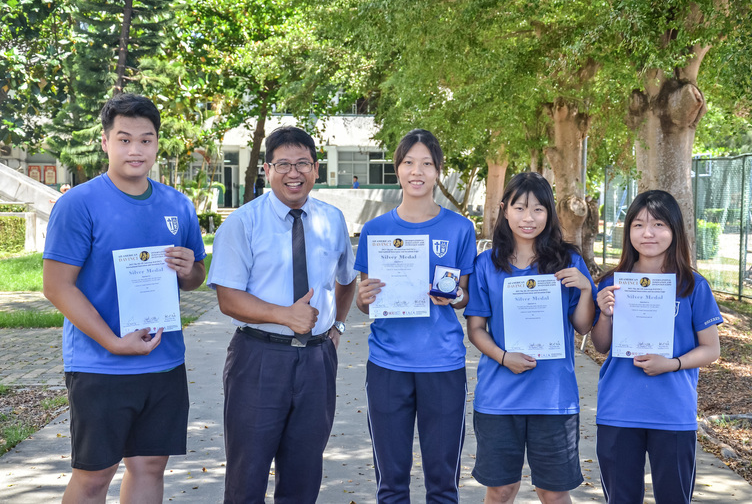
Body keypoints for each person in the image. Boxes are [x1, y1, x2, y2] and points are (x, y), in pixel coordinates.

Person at [42, 94, 207, 504]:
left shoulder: (177, 204)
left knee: (149, 467)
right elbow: (57, 286)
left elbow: (195, 279)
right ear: (105, 142)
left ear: (157, 144)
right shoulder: (78, 204)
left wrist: (189, 270)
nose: (136, 150)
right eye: (124, 139)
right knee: (94, 476)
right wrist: (114, 342)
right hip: (100, 364)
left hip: (163, 360)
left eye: (146, 140)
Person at [207, 126, 357, 503]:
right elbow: (228, 298)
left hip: (317, 361)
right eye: (283, 164)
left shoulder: (332, 219)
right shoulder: (243, 223)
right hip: (258, 358)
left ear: (316, 169)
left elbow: (346, 278)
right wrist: (286, 316)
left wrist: (337, 325)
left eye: (303, 163)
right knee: (247, 477)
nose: (294, 173)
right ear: (267, 170)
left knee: (304, 477)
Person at [355, 128, 477, 503]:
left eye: (426, 163)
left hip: (443, 364)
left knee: (442, 483)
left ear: (438, 170)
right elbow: (366, 300)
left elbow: (465, 294)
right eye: (408, 162)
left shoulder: (460, 228)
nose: (417, 171)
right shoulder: (376, 230)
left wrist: (454, 297)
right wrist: (363, 298)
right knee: (391, 483)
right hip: (387, 365)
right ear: (398, 169)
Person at [464, 172, 596, 504]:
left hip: (553, 397)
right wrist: (503, 357)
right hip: (499, 398)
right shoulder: (486, 264)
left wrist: (585, 289)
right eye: (520, 208)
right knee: (501, 490)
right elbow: (476, 328)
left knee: (553, 493)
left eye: (538, 209)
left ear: (549, 213)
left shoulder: (568, 261)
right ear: (504, 210)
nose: (528, 218)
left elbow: (583, 327)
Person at [591, 190, 721, 503]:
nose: (648, 233)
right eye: (638, 225)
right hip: (619, 410)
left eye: (658, 224)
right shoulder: (612, 282)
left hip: (672, 412)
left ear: (674, 230)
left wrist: (671, 364)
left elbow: (711, 349)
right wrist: (605, 314)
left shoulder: (692, 285)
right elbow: (600, 345)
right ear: (628, 232)